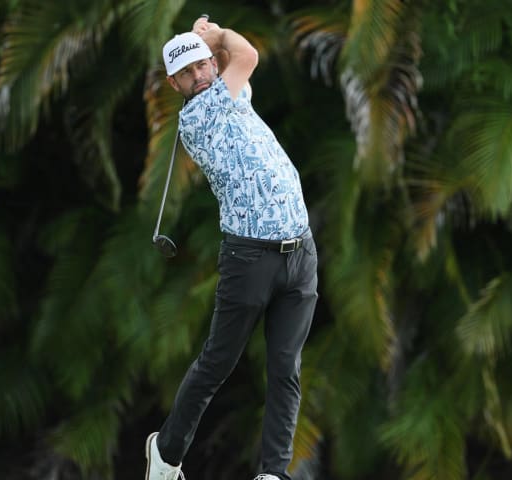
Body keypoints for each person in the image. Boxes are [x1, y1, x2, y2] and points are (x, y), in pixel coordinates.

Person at [144, 16, 318, 480]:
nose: (199, 76)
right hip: (250, 257)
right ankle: (165, 453)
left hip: (299, 252)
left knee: (286, 367)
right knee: (218, 361)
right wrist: (217, 37)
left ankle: (273, 474)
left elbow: (230, 67)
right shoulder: (200, 116)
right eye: (188, 73)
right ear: (174, 83)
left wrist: (209, 45)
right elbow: (247, 56)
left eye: (203, 66)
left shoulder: (228, 93)